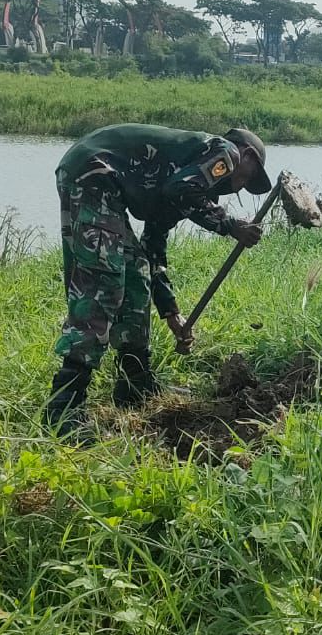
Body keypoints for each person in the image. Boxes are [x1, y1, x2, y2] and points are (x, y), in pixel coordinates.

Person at [44, 124, 268, 437]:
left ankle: (134, 384)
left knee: (136, 273)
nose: (239, 186)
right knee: (103, 281)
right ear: (246, 154)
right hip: (93, 174)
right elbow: (183, 189)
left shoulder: (180, 182)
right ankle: (64, 404)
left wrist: (170, 311)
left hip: (103, 183)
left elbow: (153, 247)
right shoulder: (225, 152)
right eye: (247, 175)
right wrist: (229, 224)